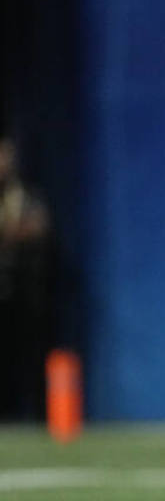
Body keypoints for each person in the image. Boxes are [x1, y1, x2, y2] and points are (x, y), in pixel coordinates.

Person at [0, 135, 52, 421]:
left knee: (27, 355)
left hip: (22, 288)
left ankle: (33, 415)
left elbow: (40, 225)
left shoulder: (23, 192)